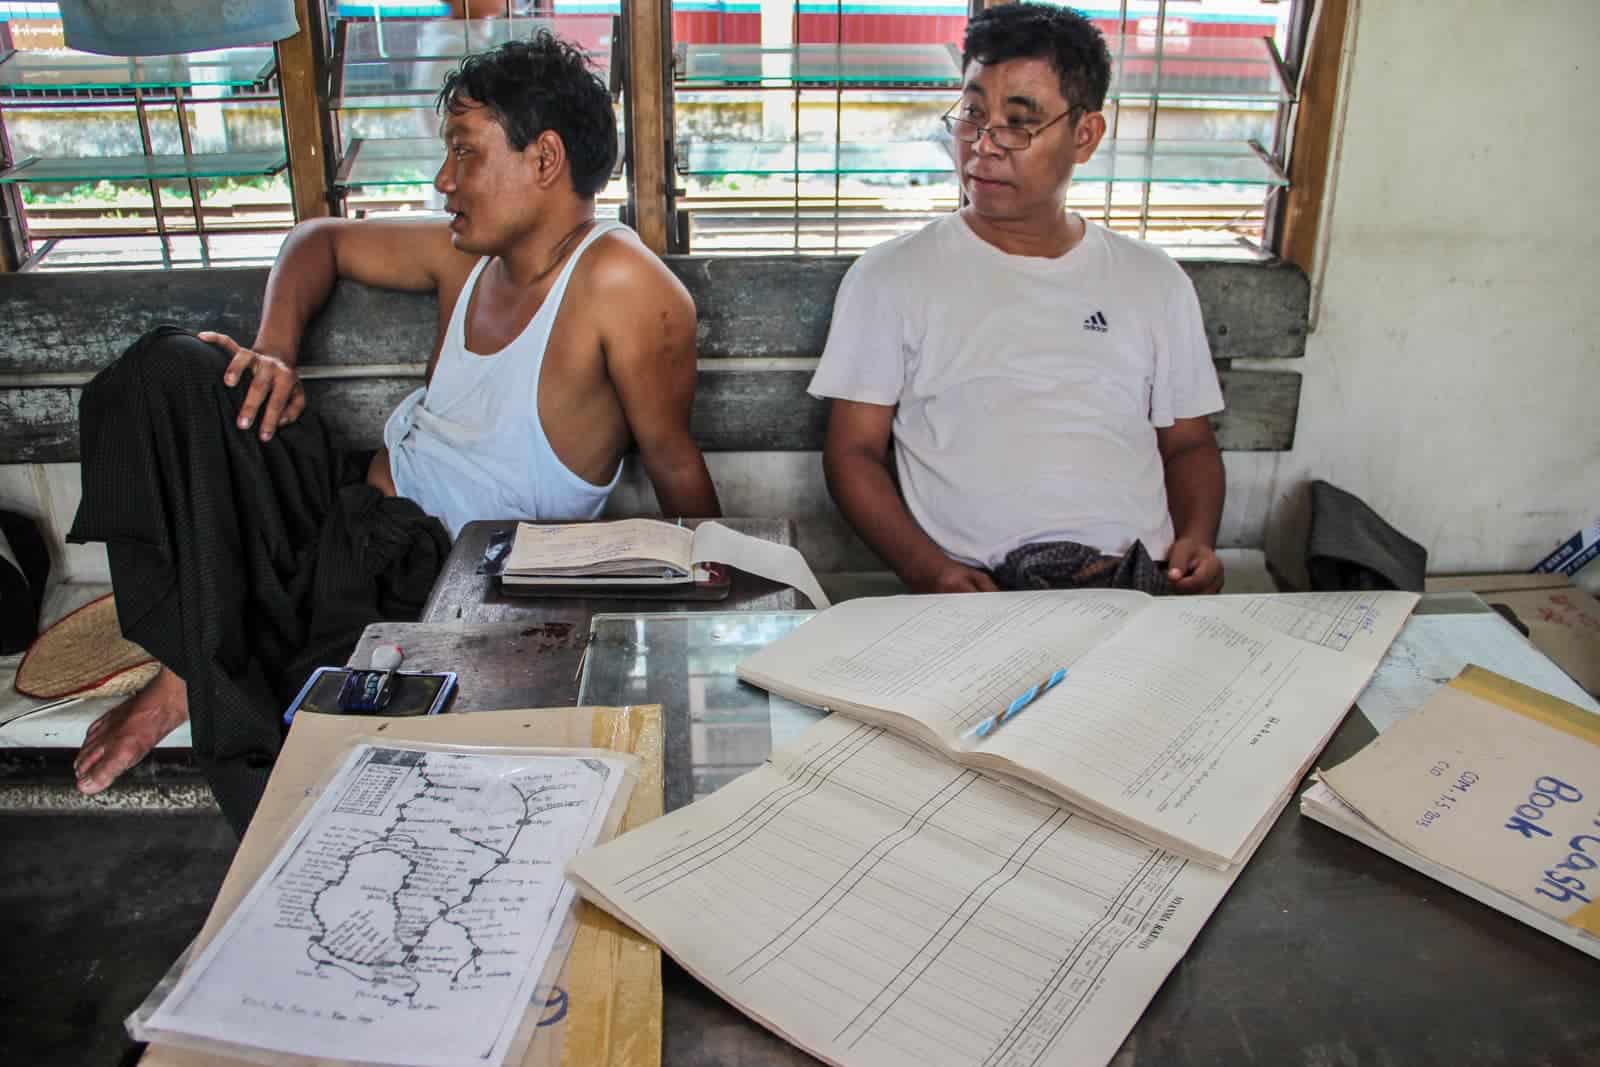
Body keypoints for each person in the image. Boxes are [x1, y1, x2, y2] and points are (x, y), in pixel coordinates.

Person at [68, 33, 720, 831]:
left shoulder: (621, 285)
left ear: (544, 159)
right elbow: (319, 240)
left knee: (316, 760)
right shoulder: (465, 256)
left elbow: (677, 472)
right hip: (342, 516)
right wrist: (275, 350)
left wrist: (733, 624)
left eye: (464, 153)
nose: (445, 180)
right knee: (166, 370)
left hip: (435, 581)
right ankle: (197, 657)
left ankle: (201, 673)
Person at [811, 2, 1225, 598]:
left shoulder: (1150, 280)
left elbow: (1188, 444)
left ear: (1084, 135)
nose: (984, 145)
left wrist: (1197, 541)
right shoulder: (893, 277)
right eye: (972, 114)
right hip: (980, 589)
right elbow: (852, 453)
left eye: (1018, 122)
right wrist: (927, 570)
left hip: (1137, 584)